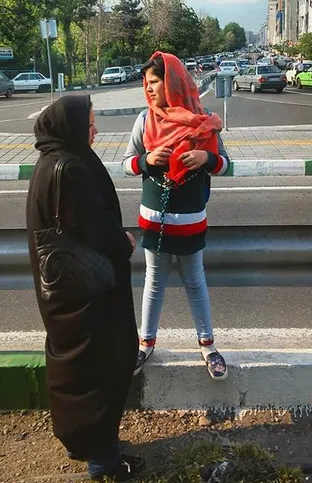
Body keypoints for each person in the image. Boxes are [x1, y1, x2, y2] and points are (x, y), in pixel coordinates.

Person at [26, 96, 144, 483]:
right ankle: (103, 461)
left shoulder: (49, 162)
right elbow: (93, 227)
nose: (94, 132)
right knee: (99, 367)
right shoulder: (70, 168)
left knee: (77, 367)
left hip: (64, 293)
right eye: (90, 125)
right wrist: (122, 243)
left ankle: (97, 447)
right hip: (87, 296)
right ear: (71, 128)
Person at [122, 52, 230, 380]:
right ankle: (145, 344)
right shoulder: (144, 120)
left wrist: (206, 158)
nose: (149, 88)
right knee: (154, 281)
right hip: (154, 219)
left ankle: (208, 345)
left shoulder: (204, 120)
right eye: (147, 83)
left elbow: (226, 164)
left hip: (191, 219)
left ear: (172, 83)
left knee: (194, 280)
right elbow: (126, 163)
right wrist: (147, 160)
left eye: (155, 82)